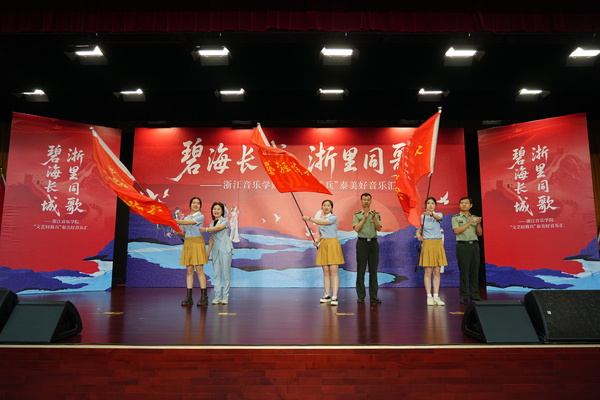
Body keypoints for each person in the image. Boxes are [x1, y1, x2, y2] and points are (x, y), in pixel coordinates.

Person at [302, 199, 345, 306]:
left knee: (334, 272)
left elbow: (322, 222)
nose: (326, 207)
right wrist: (317, 241)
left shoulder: (333, 217)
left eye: (328, 205)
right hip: (323, 245)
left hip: (332, 244)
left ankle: (334, 296)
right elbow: (321, 233)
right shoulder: (320, 219)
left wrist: (309, 219)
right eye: (324, 205)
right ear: (321, 207)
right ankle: (327, 294)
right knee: (325, 271)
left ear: (331, 208)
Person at [174, 197, 209, 306]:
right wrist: (178, 233)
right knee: (189, 271)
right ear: (190, 205)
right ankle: (189, 297)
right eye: (194, 203)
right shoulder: (186, 217)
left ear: (200, 206)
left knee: (199, 270)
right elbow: (185, 233)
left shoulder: (200, 216)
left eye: (198, 203)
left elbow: (189, 222)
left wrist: (175, 220)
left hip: (197, 243)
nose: (196, 205)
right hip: (188, 243)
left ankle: (204, 297)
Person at [416, 197, 448, 306]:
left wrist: (431, 214)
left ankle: (436, 296)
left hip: (438, 243)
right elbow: (419, 229)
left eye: (432, 203)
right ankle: (429, 297)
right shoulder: (422, 217)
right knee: (428, 271)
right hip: (427, 243)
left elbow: (438, 218)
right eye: (428, 203)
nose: (430, 205)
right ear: (425, 205)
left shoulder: (439, 214)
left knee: (437, 271)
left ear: (435, 205)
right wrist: (418, 234)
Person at [451, 197, 483, 304]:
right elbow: (457, 231)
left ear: (471, 205)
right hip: (463, 246)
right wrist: (469, 223)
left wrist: (478, 224)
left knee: (475, 271)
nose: (464, 205)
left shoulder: (475, 218)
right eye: (462, 203)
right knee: (464, 271)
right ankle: (464, 295)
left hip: (474, 245)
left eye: (466, 203)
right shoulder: (456, 218)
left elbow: (479, 233)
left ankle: (475, 295)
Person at [201, 202, 234, 305]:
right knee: (216, 273)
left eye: (218, 209)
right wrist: (208, 252)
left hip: (225, 248)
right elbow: (212, 238)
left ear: (222, 211)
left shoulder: (225, 221)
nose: (216, 211)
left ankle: (225, 296)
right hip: (215, 250)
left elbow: (218, 228)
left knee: (226, 273)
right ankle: (217, 296)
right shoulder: (211, 224)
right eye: (214, 209)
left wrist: (205, 229)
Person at [353, 193, 382, 303]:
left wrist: (374, 218)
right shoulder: (357, 215)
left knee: (373, 271)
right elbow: (357, 229)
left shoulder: (376, 214)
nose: (366, 201)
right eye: (364, 199)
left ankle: (374, 296)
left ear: (371, 201)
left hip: (373, 243)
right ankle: (361, 296)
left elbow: (379, 228)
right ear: (361, 201)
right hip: (362, 243)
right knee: (361, 270)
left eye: (368, 200)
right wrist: (364, 218)